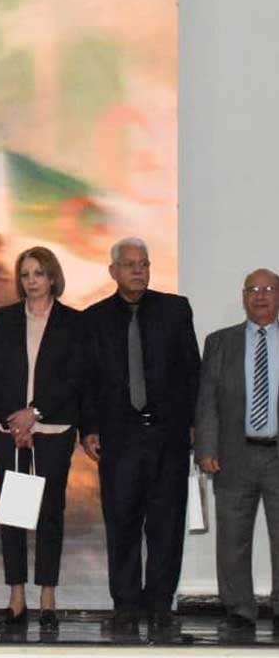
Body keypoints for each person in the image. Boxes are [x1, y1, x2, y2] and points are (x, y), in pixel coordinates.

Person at [81, 237, 200, 635]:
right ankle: (126, 605)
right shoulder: (94, 318)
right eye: (130, 264)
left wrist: (195, 424)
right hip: (119, 439)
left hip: (168, 437)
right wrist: (89, 428)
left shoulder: (175, 310)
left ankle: (160, 605)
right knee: (122, 524)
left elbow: (192, 371)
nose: (138, 270)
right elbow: (88, 381)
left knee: (167, 525)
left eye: (144, 264)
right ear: (113, 271)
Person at [0, 247, 83, 630]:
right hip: (9, 431)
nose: (31, 281)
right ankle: (16, 594)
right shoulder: (5, 318)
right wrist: (17, 422)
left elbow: (74, 378)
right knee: (14, 512)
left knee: (49, 512)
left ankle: (47, 593)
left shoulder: (72, 322)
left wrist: (36, 413)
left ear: (52, 277)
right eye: (25, 274)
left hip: (53, 431)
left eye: (39, 273)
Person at [195, 268, 279, 635]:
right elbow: (207, 400)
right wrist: (206, 447)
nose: (260, 295)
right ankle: (239, 609)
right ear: (243, 296)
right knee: (232, 538)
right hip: (233, 454)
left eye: (268, 288)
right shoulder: (220, 342)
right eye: (252, 289)